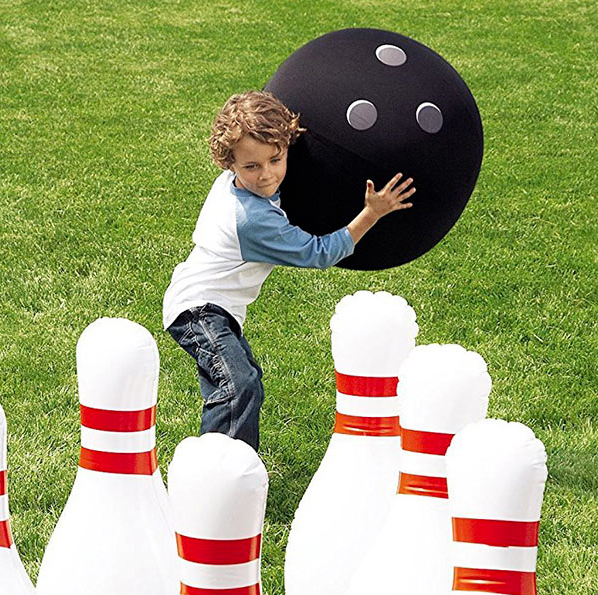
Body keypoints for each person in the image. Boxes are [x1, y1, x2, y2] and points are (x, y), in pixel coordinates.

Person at [163, 90, 415, 451]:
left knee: (242, 382)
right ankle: (219, 471)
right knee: (238, 385)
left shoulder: (239, 187)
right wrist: (371, 213)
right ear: (229, 164)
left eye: (276, 159)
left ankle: (230, 463)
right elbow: (319, 253)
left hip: (212, 305)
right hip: (199, 309)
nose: (267, 175)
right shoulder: (254, 220)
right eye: (252, 166)